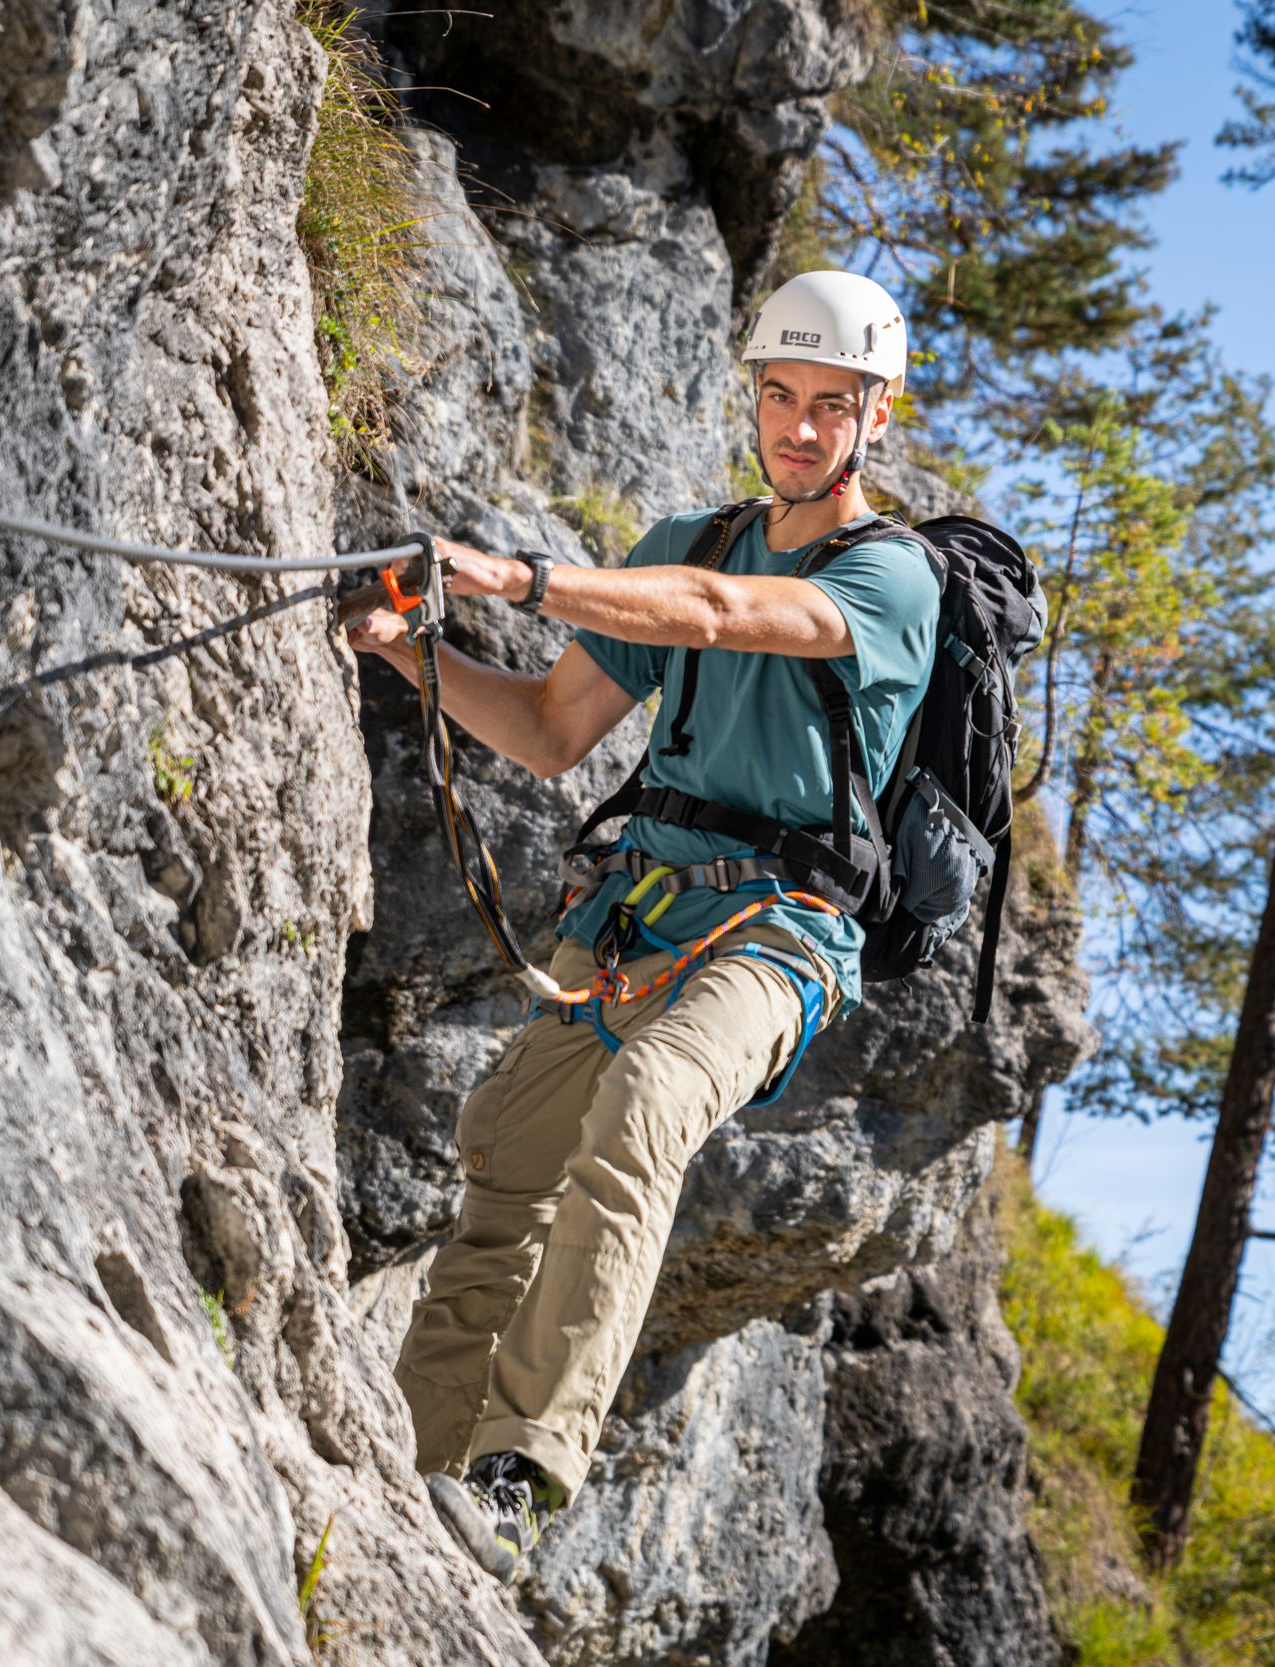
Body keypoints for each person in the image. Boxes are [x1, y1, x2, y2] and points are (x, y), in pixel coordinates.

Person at [344, 271, 939, 1579]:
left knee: (653, 1101)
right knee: (506, 1160)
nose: (798, 428)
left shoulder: (893, 576)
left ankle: (521, 1468)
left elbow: (727, 620)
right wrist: (401, 649)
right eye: (780, 397)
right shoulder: (698, 538)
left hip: (783, 937)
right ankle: (414, 1446)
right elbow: (552, 727)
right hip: (635, 914)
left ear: (877, 414)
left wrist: (514, 575)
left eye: (831, 406)